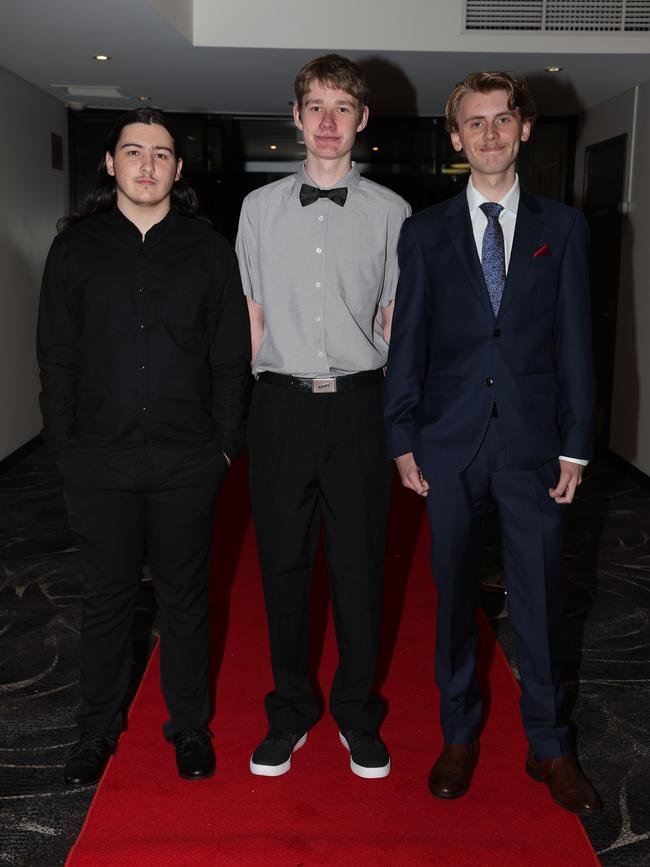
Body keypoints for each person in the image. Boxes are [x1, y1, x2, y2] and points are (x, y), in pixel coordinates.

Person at [384, 72, 601, 814]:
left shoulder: (564, 229)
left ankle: (551, 745)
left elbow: (577, 344)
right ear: (455, 137)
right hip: (447, 447)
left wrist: (576, 445)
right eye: (473, 124)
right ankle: (459, 732)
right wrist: (401, 438)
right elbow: (407, 343)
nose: (488, 135)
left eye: (501, 120)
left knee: (540, 599)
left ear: (524, 129)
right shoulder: (424, 231)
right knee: (453, 602)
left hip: (535, 447)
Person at [37, 108, 250, 785]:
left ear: (178, 170)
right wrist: (65, 446)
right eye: (134, 151)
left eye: (161, 154)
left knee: (187, 599)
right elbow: (57, 355)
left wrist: (223, 446)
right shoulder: (74, 249)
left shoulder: (210, 252)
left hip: (188, 459)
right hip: (99, 459)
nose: (148, 165)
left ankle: (189, 724)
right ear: (111, 163)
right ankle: (95, 730)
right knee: (105, 600)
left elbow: (229, 357)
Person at [236, 54, 410, 779]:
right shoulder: (257, 209)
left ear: (362, 120)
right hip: (280, 406)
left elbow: (395, 323)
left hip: (360, 410)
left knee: (360, 568)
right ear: (298, 116)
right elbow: (252, 314)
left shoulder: (393, 213)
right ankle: (291, 711)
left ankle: (358, 714)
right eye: (317, 106)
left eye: (344, 106)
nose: (330, 120)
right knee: (281, 566)